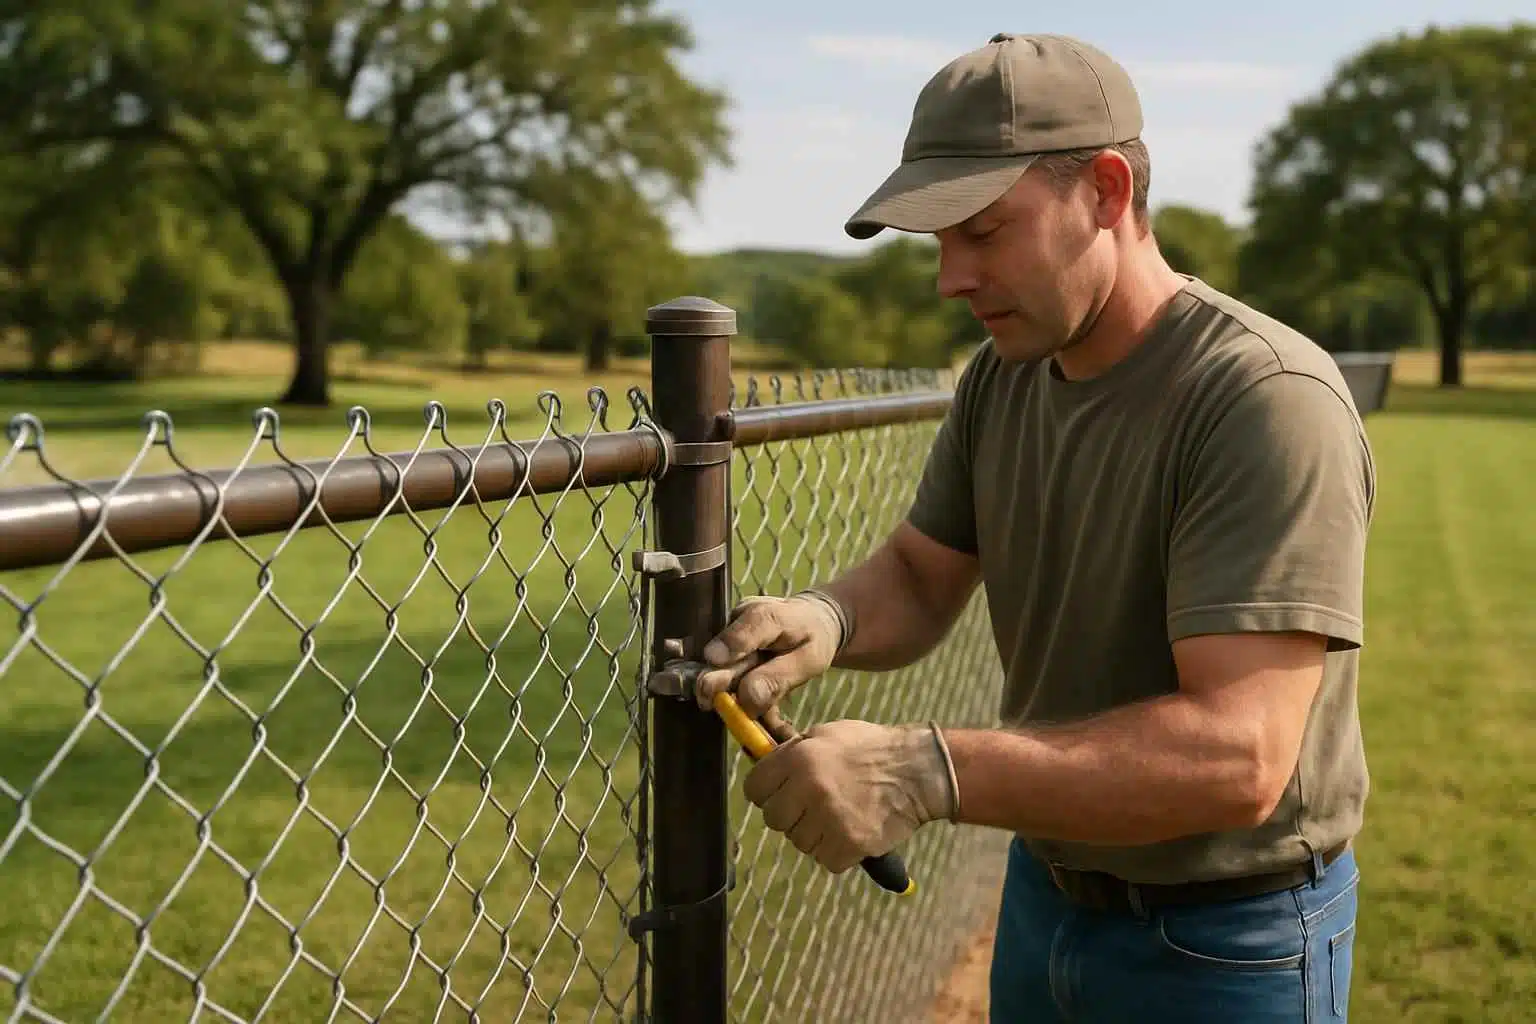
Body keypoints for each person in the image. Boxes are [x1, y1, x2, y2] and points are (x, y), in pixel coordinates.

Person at [693, 31, 1376, 1024]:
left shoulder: (1262, 398)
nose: (949, 278)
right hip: (1045, 893)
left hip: (1227, 938)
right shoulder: (1003, 377)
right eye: (938, 242)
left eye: (982, 231)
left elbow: (1238, 757)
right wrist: (825, 618)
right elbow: (922, 573)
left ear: (1106, 191)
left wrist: (922, 770)